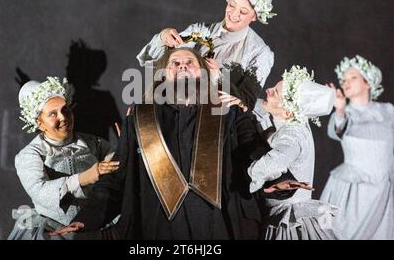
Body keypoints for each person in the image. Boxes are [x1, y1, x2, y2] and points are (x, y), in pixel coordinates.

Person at [51, 48, 312, 240]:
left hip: (218, 228)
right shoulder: (140, 120)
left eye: (190, 62)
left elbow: (254, 151)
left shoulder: (230, 113)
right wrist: (86, 221)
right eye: (175, 62)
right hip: (156, 231)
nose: (183, 65)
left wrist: (275, 181)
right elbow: (115, 181)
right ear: (164, 75)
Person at [136, 0, 279, 108]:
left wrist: (219, 78)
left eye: (243, 11)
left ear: (255, 16)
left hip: (217, 123)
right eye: (232, 5)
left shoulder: (260, 53)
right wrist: (163, 38)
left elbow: (246, 103)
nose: (234, 14)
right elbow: (159, 58)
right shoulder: (200, 31)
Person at [8, 77, 120, 240]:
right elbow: (40, 191)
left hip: (97, 227)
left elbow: (116, 166)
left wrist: (125, 147)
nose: (63, 117)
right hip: (56, 232)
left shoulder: (93, 143)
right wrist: (83, 178)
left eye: (65, 109)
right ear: (39, 123)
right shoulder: (30, 155)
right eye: (53, 114)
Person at [247, 66, 341, 240]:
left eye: (274, 92)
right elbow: (259, 106)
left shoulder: (292, 134)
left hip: (290, 223)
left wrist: (248, 175)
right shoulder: (294, 124)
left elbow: (271, 164)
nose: (268, 90)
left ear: (289, 112)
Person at [320, 55, 393, 240]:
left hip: (384, 190)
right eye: (343, 80)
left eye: (353, 77)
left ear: (367, 82)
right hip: (355, 192)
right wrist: (340, 110)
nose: (346, 82)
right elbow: (337, 129)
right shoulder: (345, 112)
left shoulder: (388, 110)